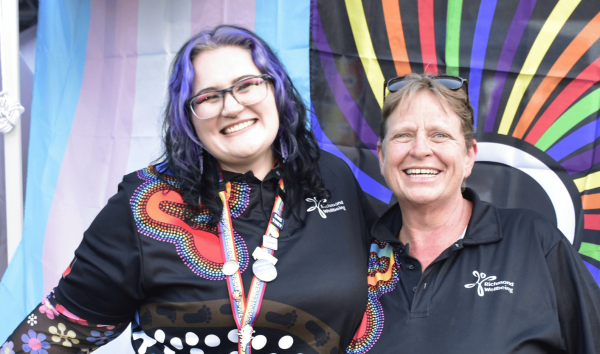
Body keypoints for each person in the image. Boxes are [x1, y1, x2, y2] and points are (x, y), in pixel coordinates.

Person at [2, 25, 376, 354]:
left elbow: (395, 284)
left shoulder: (331, 177)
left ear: (276, 91)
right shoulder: (144, 202)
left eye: (248, 85)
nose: (232, 106)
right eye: (209, 97)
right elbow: (54, 336)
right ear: (187, 117)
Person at [346, 73, 600, 353]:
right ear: (382, 157)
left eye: (439, 135)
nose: (420, 150)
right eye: (403, 135)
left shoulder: (536, 243)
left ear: (469, 155)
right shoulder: (354, 259)